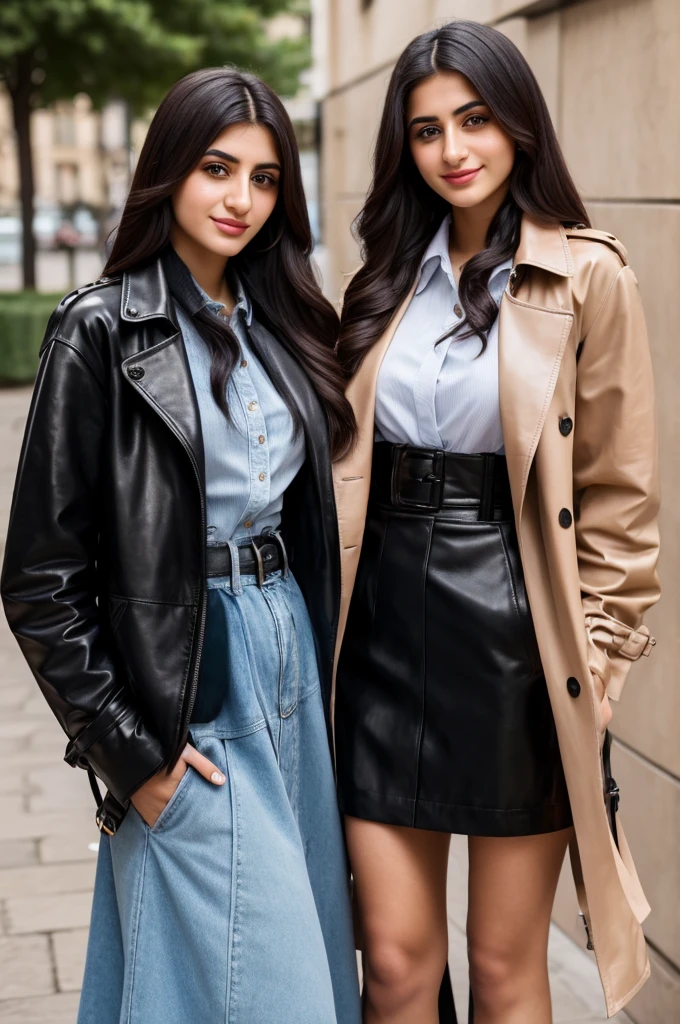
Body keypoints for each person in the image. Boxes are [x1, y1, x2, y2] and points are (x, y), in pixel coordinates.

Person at [1, 67, 361, 1024]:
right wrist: (131, 757)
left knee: (286, 970)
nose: (241, 199)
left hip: (288, 670)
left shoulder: (281, 325)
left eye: (266, 177)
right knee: (269, 991)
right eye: (217, 168)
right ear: (169, 172)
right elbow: (39, 579)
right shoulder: (100, 330)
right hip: (188, 685)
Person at [332, 20, 659, 1024]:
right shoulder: (381, 281)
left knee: (504, 966)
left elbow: (617, 496)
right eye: (425, 130)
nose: (452, 150)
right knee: (390, 962)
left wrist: (597, 672)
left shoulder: (586, 275)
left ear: (517, 123)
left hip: (516, 646)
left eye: (473, 119)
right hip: (378, 633)